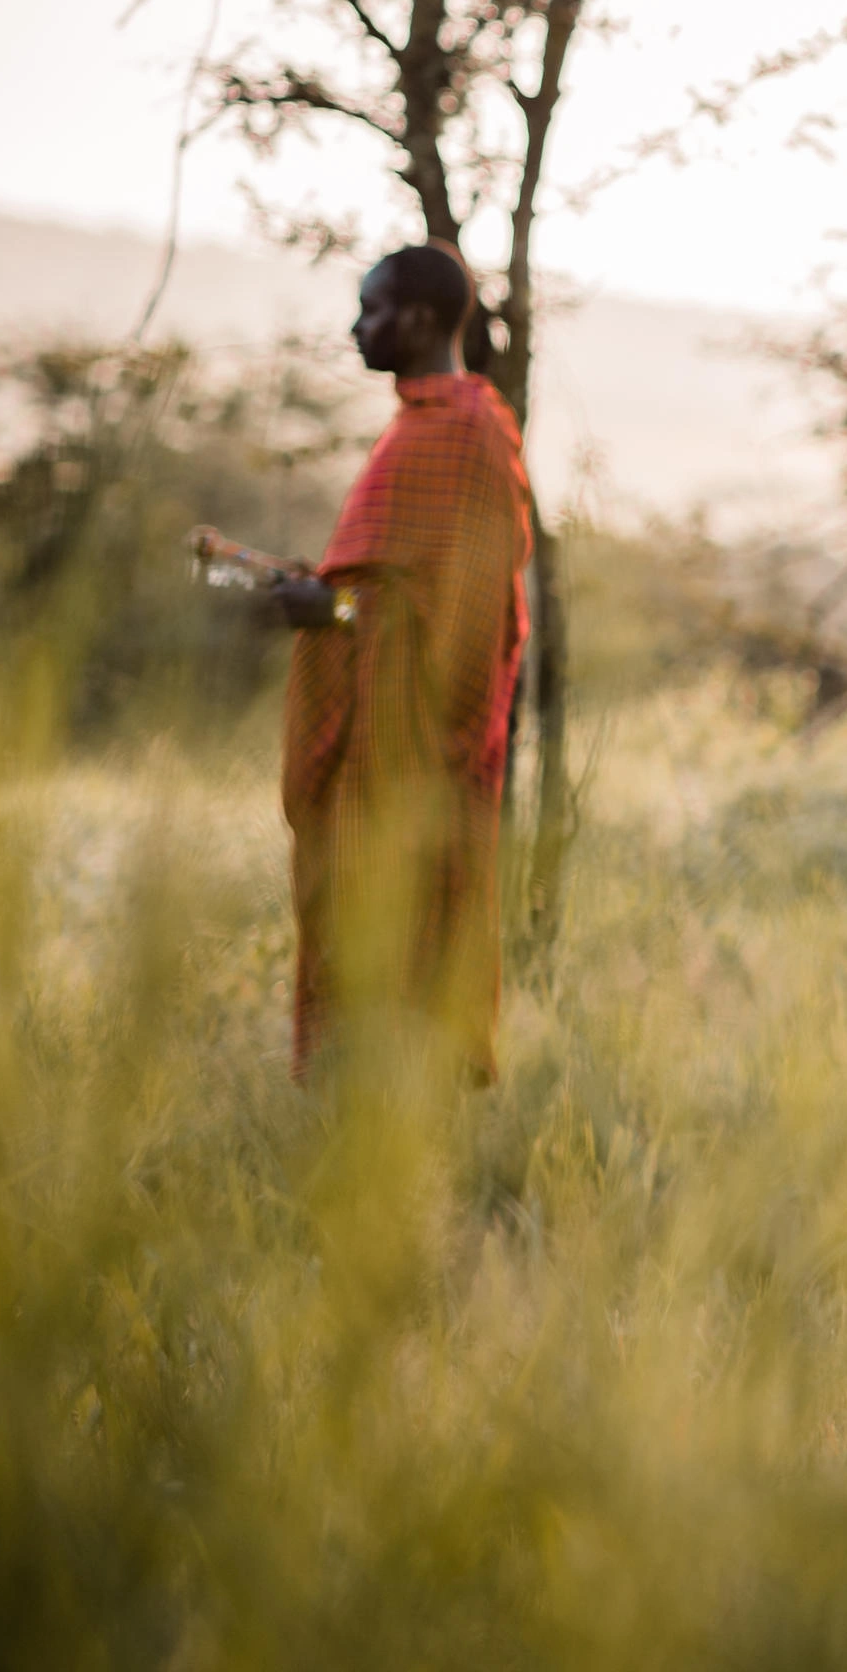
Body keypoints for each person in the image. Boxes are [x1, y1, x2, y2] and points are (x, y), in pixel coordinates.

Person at [268, 245, 533, 1083]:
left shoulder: (467, 431)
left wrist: (327, 608)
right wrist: (328, 601)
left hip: (420, 765)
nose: (356, 328)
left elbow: (462, 625)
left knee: (408, 989)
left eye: (370, 309)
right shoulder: (416, 426)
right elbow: (386, 599)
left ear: (419, 318)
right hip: (362, 766)